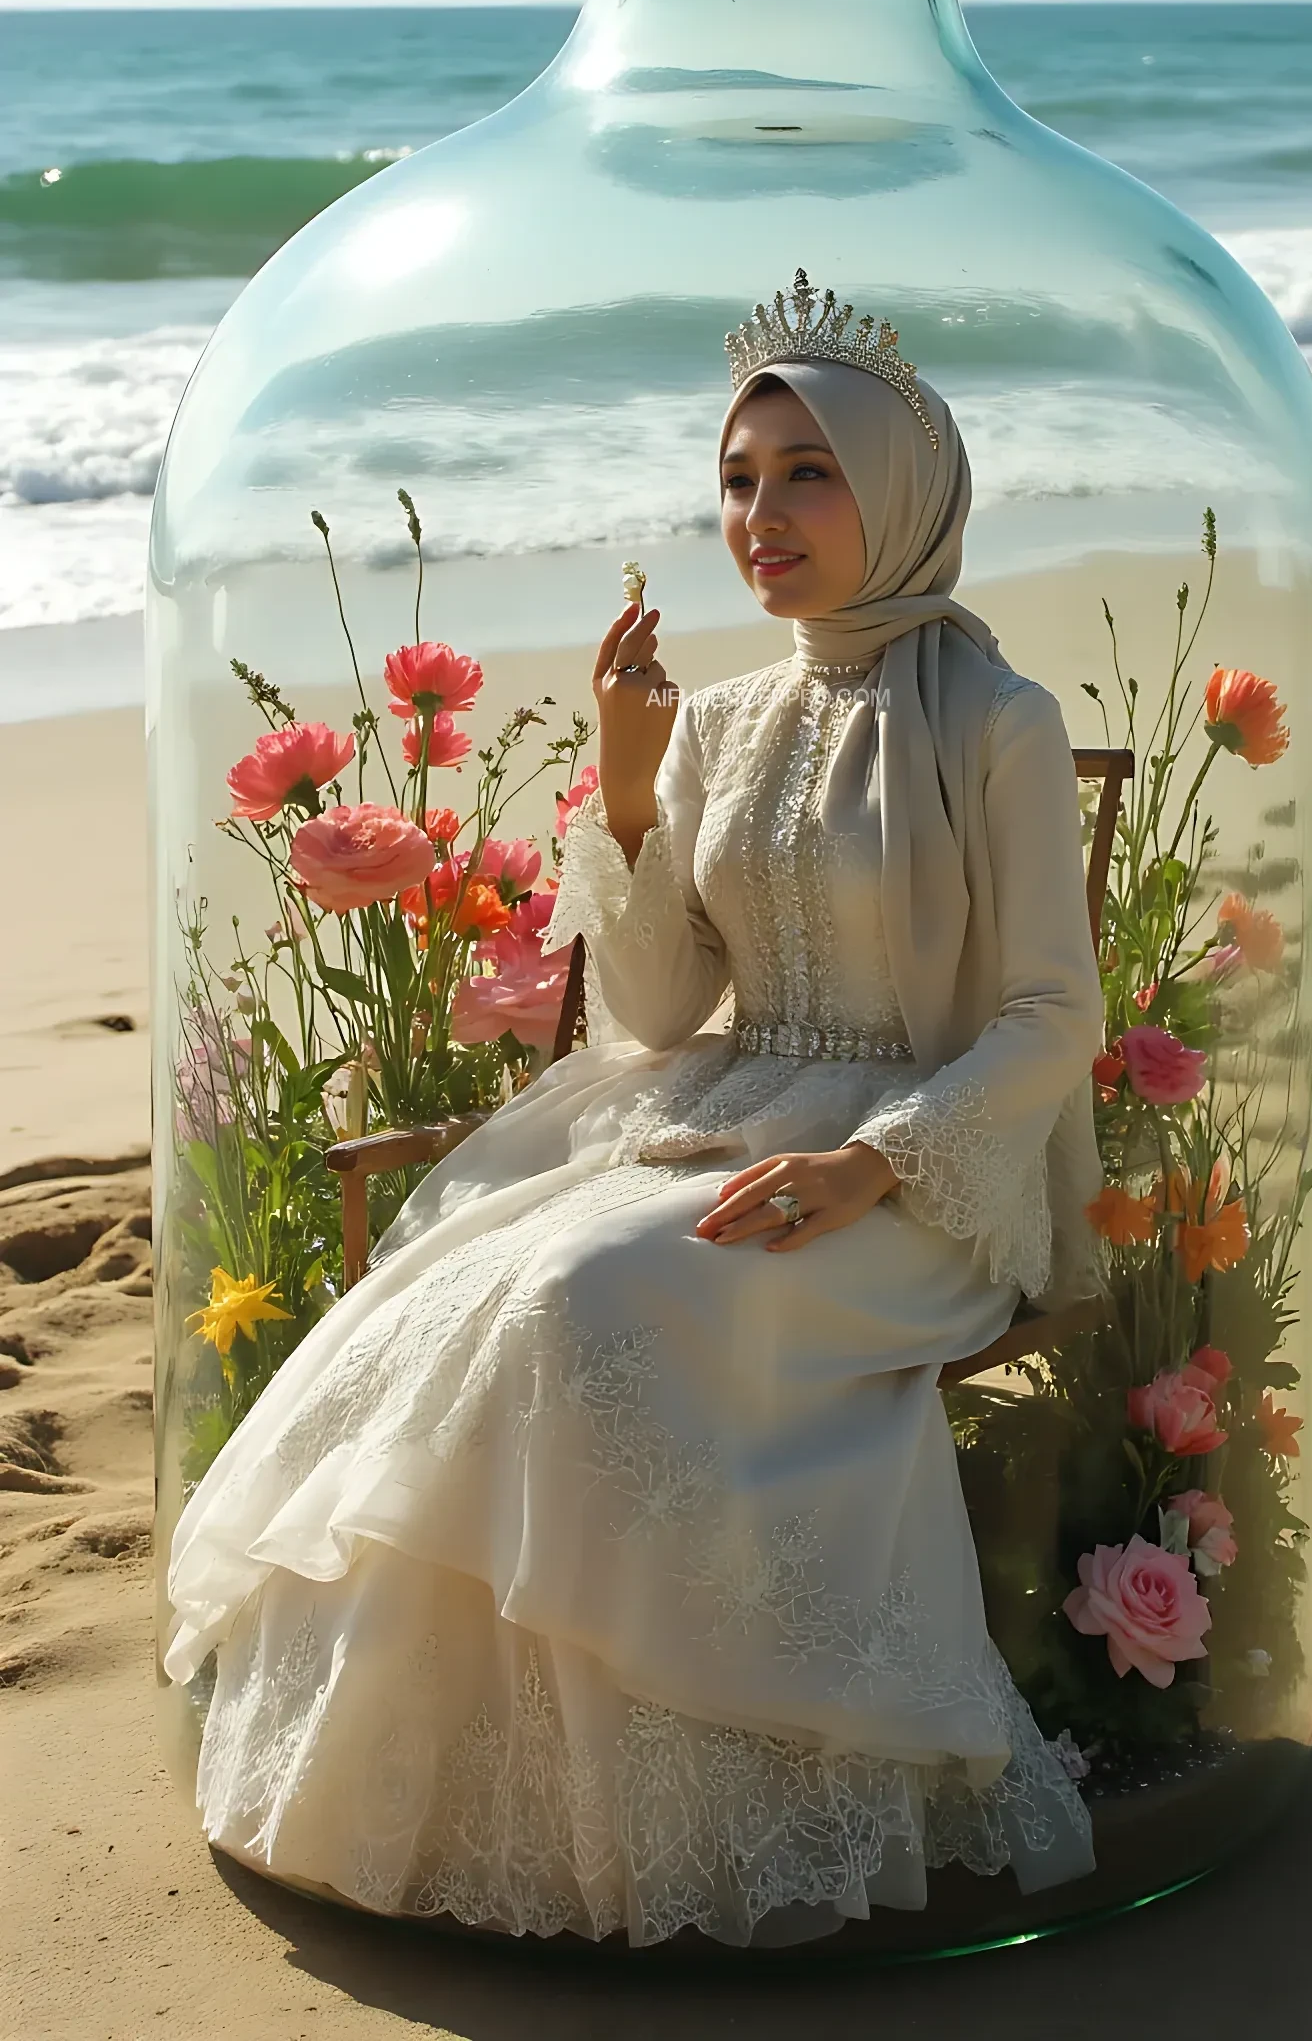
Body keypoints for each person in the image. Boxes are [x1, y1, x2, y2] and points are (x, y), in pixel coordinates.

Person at [162, 274, 1108, 1950]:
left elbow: (1051, 1017)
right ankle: (476, 1812)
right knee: (479, 1288)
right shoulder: (724, 721)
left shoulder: (999, 721)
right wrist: (625, 776)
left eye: (810, 472)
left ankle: (730, 1811)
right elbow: (663, 1010)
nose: (761, 514)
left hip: (921, 1179)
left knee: (579, 1298)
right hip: (721, 1114)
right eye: (739, 478)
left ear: (899, 489)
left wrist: (873, 1165)